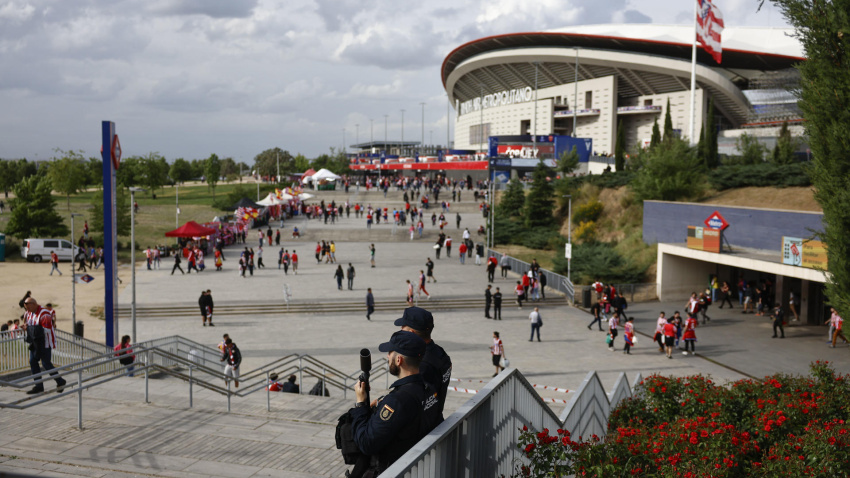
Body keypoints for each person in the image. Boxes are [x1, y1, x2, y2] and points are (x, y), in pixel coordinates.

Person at [349, 331, 442, 476]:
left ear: (399, 360)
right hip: (420, 466)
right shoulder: (429, 388)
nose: (387, 356)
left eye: (390, 352)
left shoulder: (397, 401)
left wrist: (361, 403)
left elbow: (367, 443)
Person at [394, 307, 453, 418]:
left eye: (403, 327)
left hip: (424, 428)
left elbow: (411, 398)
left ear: (411, 333)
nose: (401, 329)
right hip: (435, 419)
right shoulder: (440, 352)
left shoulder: (421, 363)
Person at [22, 298, 66, 394]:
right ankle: (38, 385)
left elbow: (46, 330)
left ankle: (60, 381)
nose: (27, 310)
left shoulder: (44, 313)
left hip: (45, 343)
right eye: (26, 308)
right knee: (33, 361)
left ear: (34, 304)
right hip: (35, 342)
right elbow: (31, 325)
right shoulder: (29, 313)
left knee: (46, 364)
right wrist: (26, 327)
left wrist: (28, 329)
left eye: (28, 307)